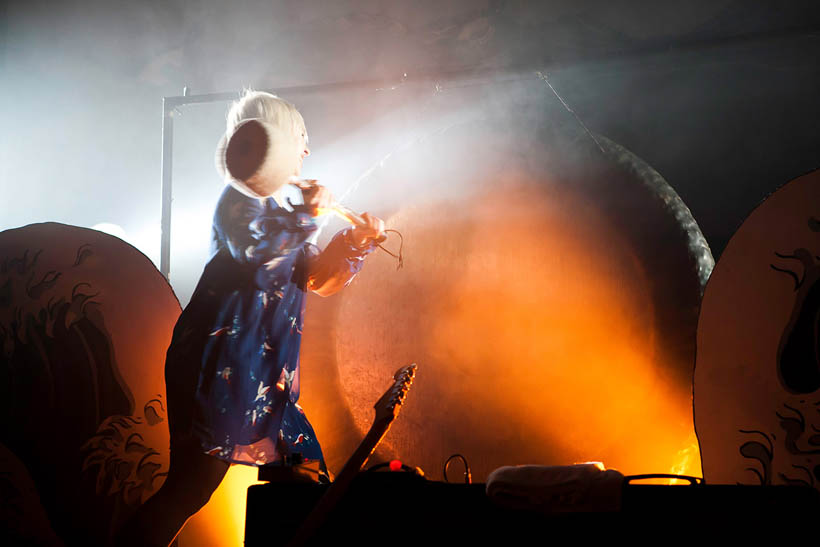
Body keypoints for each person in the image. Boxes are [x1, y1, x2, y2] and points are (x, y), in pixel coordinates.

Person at [113, 90, 385, 547]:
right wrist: (307, 215)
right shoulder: (238, 201)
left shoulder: (281, 210)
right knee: (190, 491)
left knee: (305, 476)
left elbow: (316, 279)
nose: (306, 150)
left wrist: (356, 242)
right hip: (221, 371)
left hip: (264, 380)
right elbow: (260, 254)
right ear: (271, 140)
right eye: (301, 137)